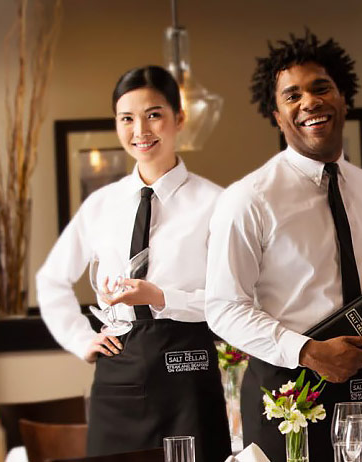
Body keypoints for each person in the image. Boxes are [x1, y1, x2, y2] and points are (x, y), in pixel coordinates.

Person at [205, 31, 362, 461]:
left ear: (343, 99)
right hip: (287, 397)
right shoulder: (248, 198)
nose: (309, 102)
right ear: (277, 116)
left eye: (321, 88)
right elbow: (222, 307)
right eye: (292, 95)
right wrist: (308, 352)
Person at [36, 65, 230, 461]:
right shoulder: (102, 205)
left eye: (153, 114)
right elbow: (51, 280)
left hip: (188, 377)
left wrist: (162, 296)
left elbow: (235, 298)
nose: (140, 130)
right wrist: (80, 339)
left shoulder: (218, 204)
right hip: (117, 381)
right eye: (127, 118)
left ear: (179, 118)